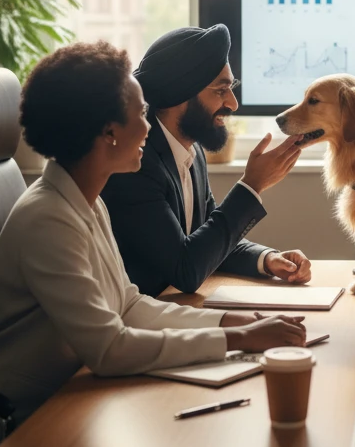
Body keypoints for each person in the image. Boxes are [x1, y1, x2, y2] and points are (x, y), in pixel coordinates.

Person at [0, 42, 306, 447]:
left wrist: (231, 323)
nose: (149, 126)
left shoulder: (87, 202)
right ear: (110, 132)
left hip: (54, 405)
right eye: (141, 113)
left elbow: (128, 305)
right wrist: (238, 340)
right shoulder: (47, 218)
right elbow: (109, 349)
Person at [102, 25, 312, 297]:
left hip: (174, 307)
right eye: (221, 90)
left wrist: (267, 259)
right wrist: (251, 186)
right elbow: (186, 269)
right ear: (179, 93)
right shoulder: (137, 164)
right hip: (143, 313)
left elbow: (207, 240)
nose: (233, 103)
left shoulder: (192, 151)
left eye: (231, 88)